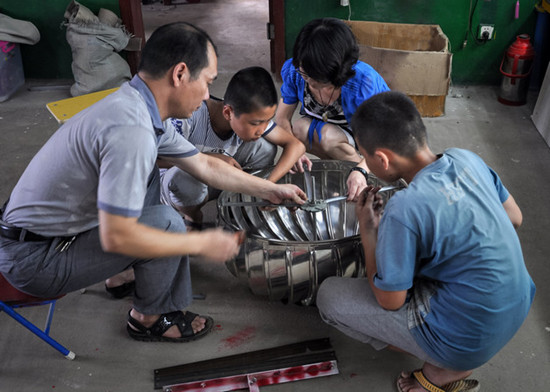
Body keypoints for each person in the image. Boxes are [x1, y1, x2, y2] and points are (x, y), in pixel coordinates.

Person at [0, 22, 306, 343]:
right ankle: (147, 318)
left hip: (45, 234)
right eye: (207, 82)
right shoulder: (132, 131)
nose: (207, 95)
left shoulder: (136, 104)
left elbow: (201, 164)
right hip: (35, 259)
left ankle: (123, 275)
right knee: (167, 223)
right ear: (180, 74)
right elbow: (118, 236)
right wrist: (202, 243)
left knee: (150, 182)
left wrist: (270, 188)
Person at [316, 91, 535, 391]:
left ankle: (445, 365)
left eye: (365, 157)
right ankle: (457, 351)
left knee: (329, 297)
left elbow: (389, 301)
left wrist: (369, 231)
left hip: (469, 338)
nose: (366, 162)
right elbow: (515, 217)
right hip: (518, 305)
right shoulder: (466, 158)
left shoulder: (404, 208)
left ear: (382, 159)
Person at [159, 66, 306, 229]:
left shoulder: (252, 114)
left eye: (267, 121)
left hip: (217, 181)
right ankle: (192, 216)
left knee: (265, 146)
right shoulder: (191, 115)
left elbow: (296, 145)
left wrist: (269, 186)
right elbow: (157, 158)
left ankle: (240, 203)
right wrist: (210, 157)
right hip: (175, 187)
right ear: (228, 113)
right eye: (255, 123)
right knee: (184, 175)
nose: (262, 129)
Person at [274, 17, 390, 200]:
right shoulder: (295, 72)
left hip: (372, 140)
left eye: (318, 78)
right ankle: (341, 173)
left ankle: (366, 176)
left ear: (338, 71)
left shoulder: (362, 83)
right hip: (334, 132)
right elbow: (281, 119)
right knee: (298, 130)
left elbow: (385, 139)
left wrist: (361, 169)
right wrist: (294, 150)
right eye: (305, 72)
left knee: (327, 137)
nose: (309, 81)